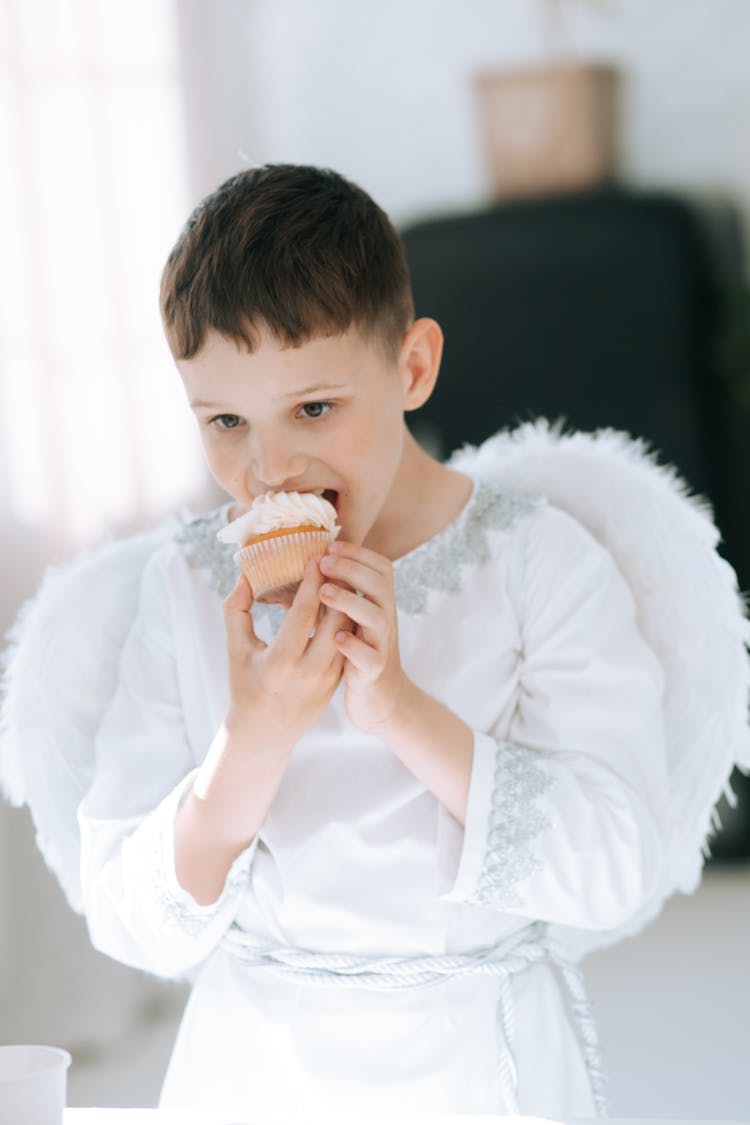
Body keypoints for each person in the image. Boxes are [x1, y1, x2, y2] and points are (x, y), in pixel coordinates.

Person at [3, 164, 748, 1118]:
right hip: (256, 1072)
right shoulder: (187, 589)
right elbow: (128, 920)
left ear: (412, 367)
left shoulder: (541, 563)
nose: (268, 467)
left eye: (314, 408)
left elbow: (615, 864)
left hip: (478, 1073)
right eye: (225, 421)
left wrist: (398, 707)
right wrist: (252, 743)